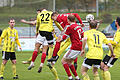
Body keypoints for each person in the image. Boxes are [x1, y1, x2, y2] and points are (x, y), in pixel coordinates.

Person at [28, 9, 63, 80]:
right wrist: (61, 29)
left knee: (36, 48)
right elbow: (56, 22)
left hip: (41, 32)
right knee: (47, 48)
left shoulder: (39, 15)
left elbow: (37, 24)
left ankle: (32, 63)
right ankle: (45, 62)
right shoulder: (51, 13)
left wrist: (37, 32)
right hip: (49, 32)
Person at [56, 14, 83, 80]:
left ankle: (70, 77)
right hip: (80, 47)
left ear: (68, 20)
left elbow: (64, 37)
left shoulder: (70, 27)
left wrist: (59, 40)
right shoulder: (79, 27)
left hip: (74, 47)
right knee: (70, 62)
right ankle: (77, 78)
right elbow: (82, 36)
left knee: (63, 61)